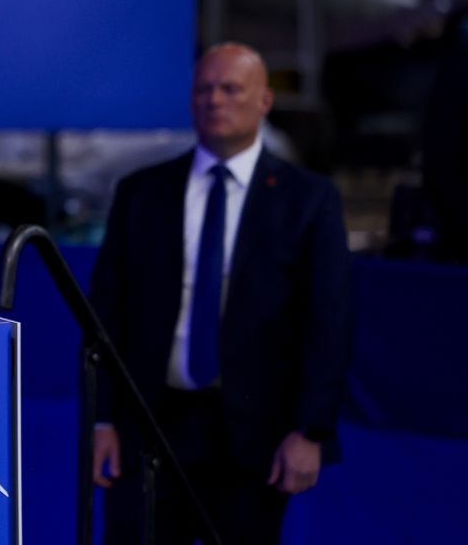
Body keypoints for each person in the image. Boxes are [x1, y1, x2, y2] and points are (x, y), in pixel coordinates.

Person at [90, 43, 352, 544]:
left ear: (264, 102)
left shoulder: (307, 199)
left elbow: (330, 321)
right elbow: (107, 316)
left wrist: (311, 431)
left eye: (231, 88)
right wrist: (100, 421)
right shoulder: (141, 192)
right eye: (204, 89)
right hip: (150, 427)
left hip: (255, 438)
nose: (215, 100)